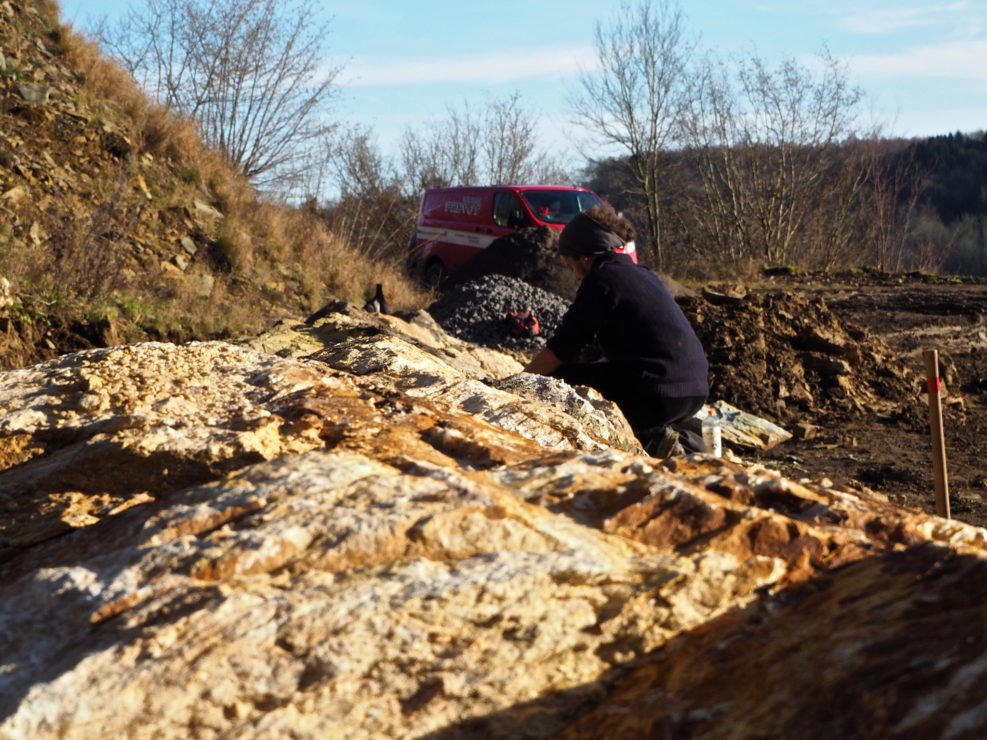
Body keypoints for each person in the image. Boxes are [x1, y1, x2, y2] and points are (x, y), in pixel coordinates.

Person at [524, 205, 709, 457]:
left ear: (585, 257)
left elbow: (561, 348)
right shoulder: (643, 274)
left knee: (559, 379)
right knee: (598, 373)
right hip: (695, 389)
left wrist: (520, 382)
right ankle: (673, 433)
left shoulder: (600, 282)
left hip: (658, 393)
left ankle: (655, 440)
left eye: (571, 266)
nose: (575, 276)